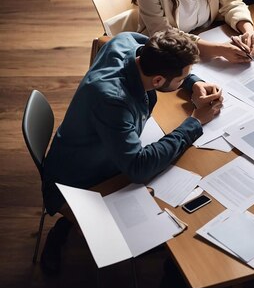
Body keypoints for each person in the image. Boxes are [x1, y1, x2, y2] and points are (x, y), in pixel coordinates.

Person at [40, 29, 224, 275]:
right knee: (179, 227)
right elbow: (138, 168)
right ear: (158, 81)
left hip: (106, 151)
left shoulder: (126, 41)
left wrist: (194, 82)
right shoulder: (112, 100)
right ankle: (67, 227)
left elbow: (146, 46)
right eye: (180, 79)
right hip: (80, 181)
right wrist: (195, 122)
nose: (184, 82)